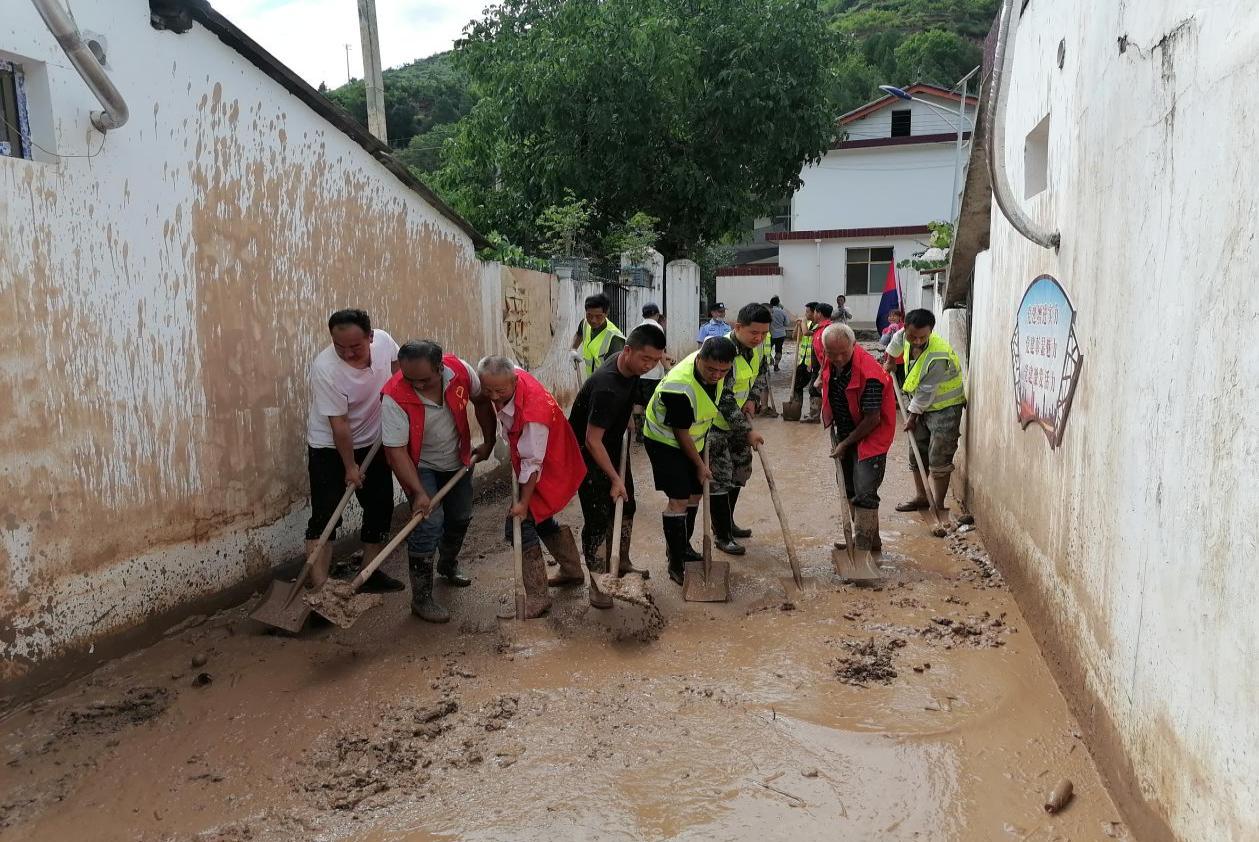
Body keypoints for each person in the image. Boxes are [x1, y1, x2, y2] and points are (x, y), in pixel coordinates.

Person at [380, 341, 498, 622]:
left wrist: (489, 441)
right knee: (428, 522)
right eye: (410, 379)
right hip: (419, 465)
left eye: (425, 379)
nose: (417, 385)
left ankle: (448, 564)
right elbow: (396, 452)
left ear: (440, 368)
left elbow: (481, 401)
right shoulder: (395, 395)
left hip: (457, 458)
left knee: (460, 516)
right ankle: (421, 598)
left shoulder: (459, 371)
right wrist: (418, 493)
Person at [567, 324, 668, 607]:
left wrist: (627, 419)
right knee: (598, 518)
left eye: (655, 361)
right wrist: (615, 477)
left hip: (610, 444)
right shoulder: (606, 386)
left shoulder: (631, 368)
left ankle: (621, 564)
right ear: (627, 351)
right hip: (586, 454)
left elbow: (628, 398)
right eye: (645, 359)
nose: (649, 366)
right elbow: (591, 440)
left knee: (627, 505)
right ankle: (598, 583)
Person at [478, 356, 586, 618]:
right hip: (538, 455)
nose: (493, 396)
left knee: (520, 522)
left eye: (500, 391)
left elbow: (533, 464)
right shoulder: (507, 376)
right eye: (488, 390)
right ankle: (572, 570)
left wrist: (523, 504)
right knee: (538, 517)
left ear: (514, 382)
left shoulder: (533, 414)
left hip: (552, 461)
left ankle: (538, 598)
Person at [305, 309, 402, 592]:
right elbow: (340, 425)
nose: (347, 354)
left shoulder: (384, 342)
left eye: (355, 347)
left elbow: (398, 372)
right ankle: (321, 589)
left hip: (373, 439)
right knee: (326, 514)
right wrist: (350, 467)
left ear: (371, 337)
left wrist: (397, 409)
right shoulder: (326, 369)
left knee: (380, 506)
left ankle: (370, 573)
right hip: (329, 447)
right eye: (339, 347)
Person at [643, 337, 737, 585]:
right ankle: (675, 562)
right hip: (665, 441)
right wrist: (699, 465)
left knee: (696, 494)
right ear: (699, 359)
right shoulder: (679, 387)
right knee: (679, 499)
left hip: (694, 438)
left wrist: (702, 458)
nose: (717, 375)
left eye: (723, 371)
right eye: (711, 369)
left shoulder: (722, 369)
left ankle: (683, 546)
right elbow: (680, 432)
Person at [819, 323, 896, 550]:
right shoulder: (831, 360)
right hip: (845, 431)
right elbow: (828, 382)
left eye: (844, 353)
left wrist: (845, 443)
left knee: (865, 492)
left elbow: (872, 420)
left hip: (870, 436)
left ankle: (862, 547)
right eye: (833, 354)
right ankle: (870, 539)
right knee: (848, 488)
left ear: (854, 345)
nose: (839, 358)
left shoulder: (870, 373)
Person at [884, 309, 966, 519]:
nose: (918, 341)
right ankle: (921, 496)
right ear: (905, 329)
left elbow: (926, 393)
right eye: (913, 336)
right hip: (919, 403)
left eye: (923, 336)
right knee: (916, 451)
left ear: (931, 331)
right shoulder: (903, 335)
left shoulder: (937, 354)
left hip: (945, 407)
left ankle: (937, 504)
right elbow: (895, 343)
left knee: (939, 455)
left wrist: (911, 417)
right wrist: (891, 360)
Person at [706, 303, 771, 554]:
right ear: (738, 327)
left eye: (764, 333)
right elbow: (724, 398)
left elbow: (760, 375)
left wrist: (753, 399)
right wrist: (747, 431)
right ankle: (721, 535)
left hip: (738, 424)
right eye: (754, 333)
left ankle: (729, 523)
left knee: (740, 472)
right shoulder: (722, 351)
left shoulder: (757, 349)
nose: (759, 338)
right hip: (715, 425)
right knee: (720, 478)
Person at [634, 303, 673, 440]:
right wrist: (668, 368)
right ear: (657, 315)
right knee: (651, 403)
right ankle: (649, 433)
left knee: (638, 403)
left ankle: (638, 432)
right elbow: (660, 352)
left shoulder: (637, 328)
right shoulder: (657, 328)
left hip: (638, 373)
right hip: (653, 373)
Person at [571, 293, 625, 379]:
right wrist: (573, 349)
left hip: (606, 384)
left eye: (598, 316)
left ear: (606, 313)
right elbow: (579, 334)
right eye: (589, 315)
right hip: (591, 380)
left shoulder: (615, 338)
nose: (593, 320)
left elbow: (618, 370)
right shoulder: (584, 324)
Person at [802, 302, 834, 423]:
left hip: (825, 369)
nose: (813, 314)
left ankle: (819, 416)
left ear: (819, 313)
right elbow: (817, 351)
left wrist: (821, 374)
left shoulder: (827, 330)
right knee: (813, 389)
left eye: (814, 312)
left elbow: (828, 354)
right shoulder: (819, 329)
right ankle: (815, 414)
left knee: (820, 390)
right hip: (818, 367)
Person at [791, 303, 818, 405]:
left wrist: (803, 322)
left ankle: (813, 413)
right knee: (796, 385)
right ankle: (796, 408)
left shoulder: (819, 326)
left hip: (812, 362)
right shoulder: (806, 323)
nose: (805, 314)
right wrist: (797, 326)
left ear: (814, 312)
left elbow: (806, 333)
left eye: (807, 311)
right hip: (802, 361)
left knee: (813, 388)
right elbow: (794, 337)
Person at [769, 296, 791, 372]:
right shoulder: (782, 312)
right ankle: (776, 366)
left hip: (770, 335)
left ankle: (767, 363)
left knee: (767, 350)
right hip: (781, 334)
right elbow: (787, 323)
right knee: (778, 350)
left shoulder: (769, 311)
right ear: (778, 303)